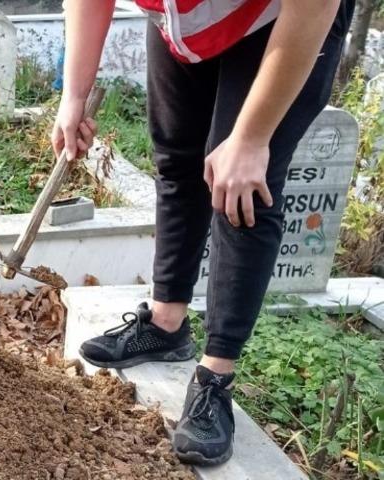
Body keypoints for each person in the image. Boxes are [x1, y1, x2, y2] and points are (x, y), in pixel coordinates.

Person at [54, 0, 355, 466]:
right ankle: (166, 323)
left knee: (242, 185)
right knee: (177, 157)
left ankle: (217, 374)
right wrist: (74, 93)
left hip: (282, 17)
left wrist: (252, 138)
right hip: (185, 18)